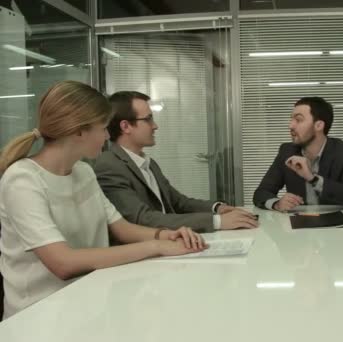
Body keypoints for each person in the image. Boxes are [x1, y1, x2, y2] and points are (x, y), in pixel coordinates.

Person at [0, 81, 206, 319]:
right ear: (78, 131)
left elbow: (122, 228)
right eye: (103, 128)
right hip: (37, 318)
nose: (108, 136)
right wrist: (156, 246)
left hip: (87, 305)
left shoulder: (84, 172)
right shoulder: (23, 180)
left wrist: (166, 234)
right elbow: (63, 263)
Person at [94, 91, 257, 232]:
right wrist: (217, 222)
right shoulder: (109, 165)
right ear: (126, 126)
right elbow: (143, 219)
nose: (155, 126)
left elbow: (178, 202)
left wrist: (217, 208)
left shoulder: (147, 163)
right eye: (148, 119)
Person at [252, 97, 343, 210]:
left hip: (337, 223)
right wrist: (277, 203)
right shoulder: (287, 151)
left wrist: (312, 178)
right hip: (298, 222)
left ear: (319, 125)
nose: (290, 126)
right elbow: (261, 192)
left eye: (299, 120)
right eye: (291, 119)